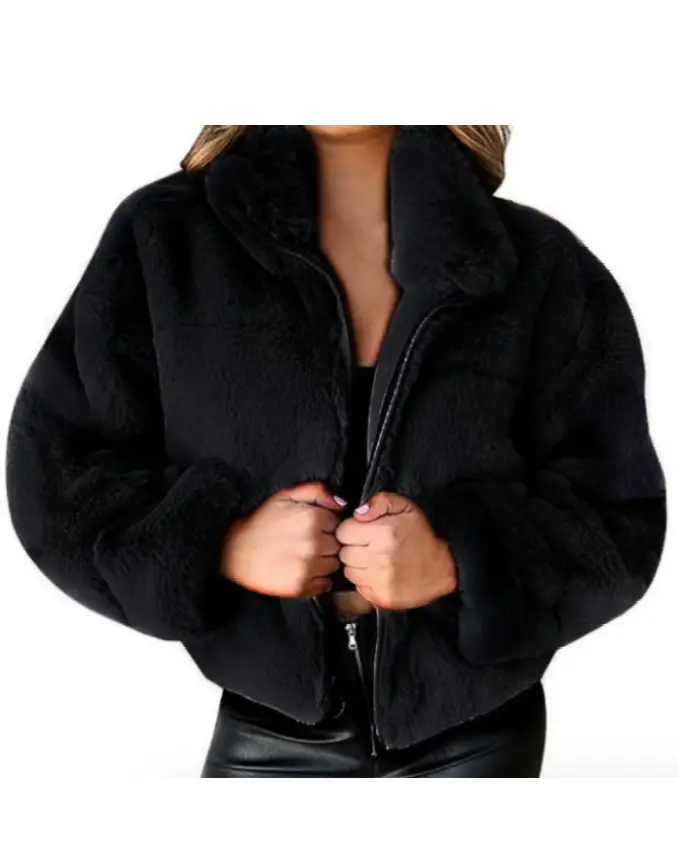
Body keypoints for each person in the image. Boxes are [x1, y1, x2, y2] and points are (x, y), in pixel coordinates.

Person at [6, 125, 666, 777]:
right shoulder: (165, 237)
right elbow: (57, 476)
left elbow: (618, 509)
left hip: (478, 730)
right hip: (268, 723)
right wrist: (222, 545)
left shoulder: (537, 261)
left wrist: (458, 559)